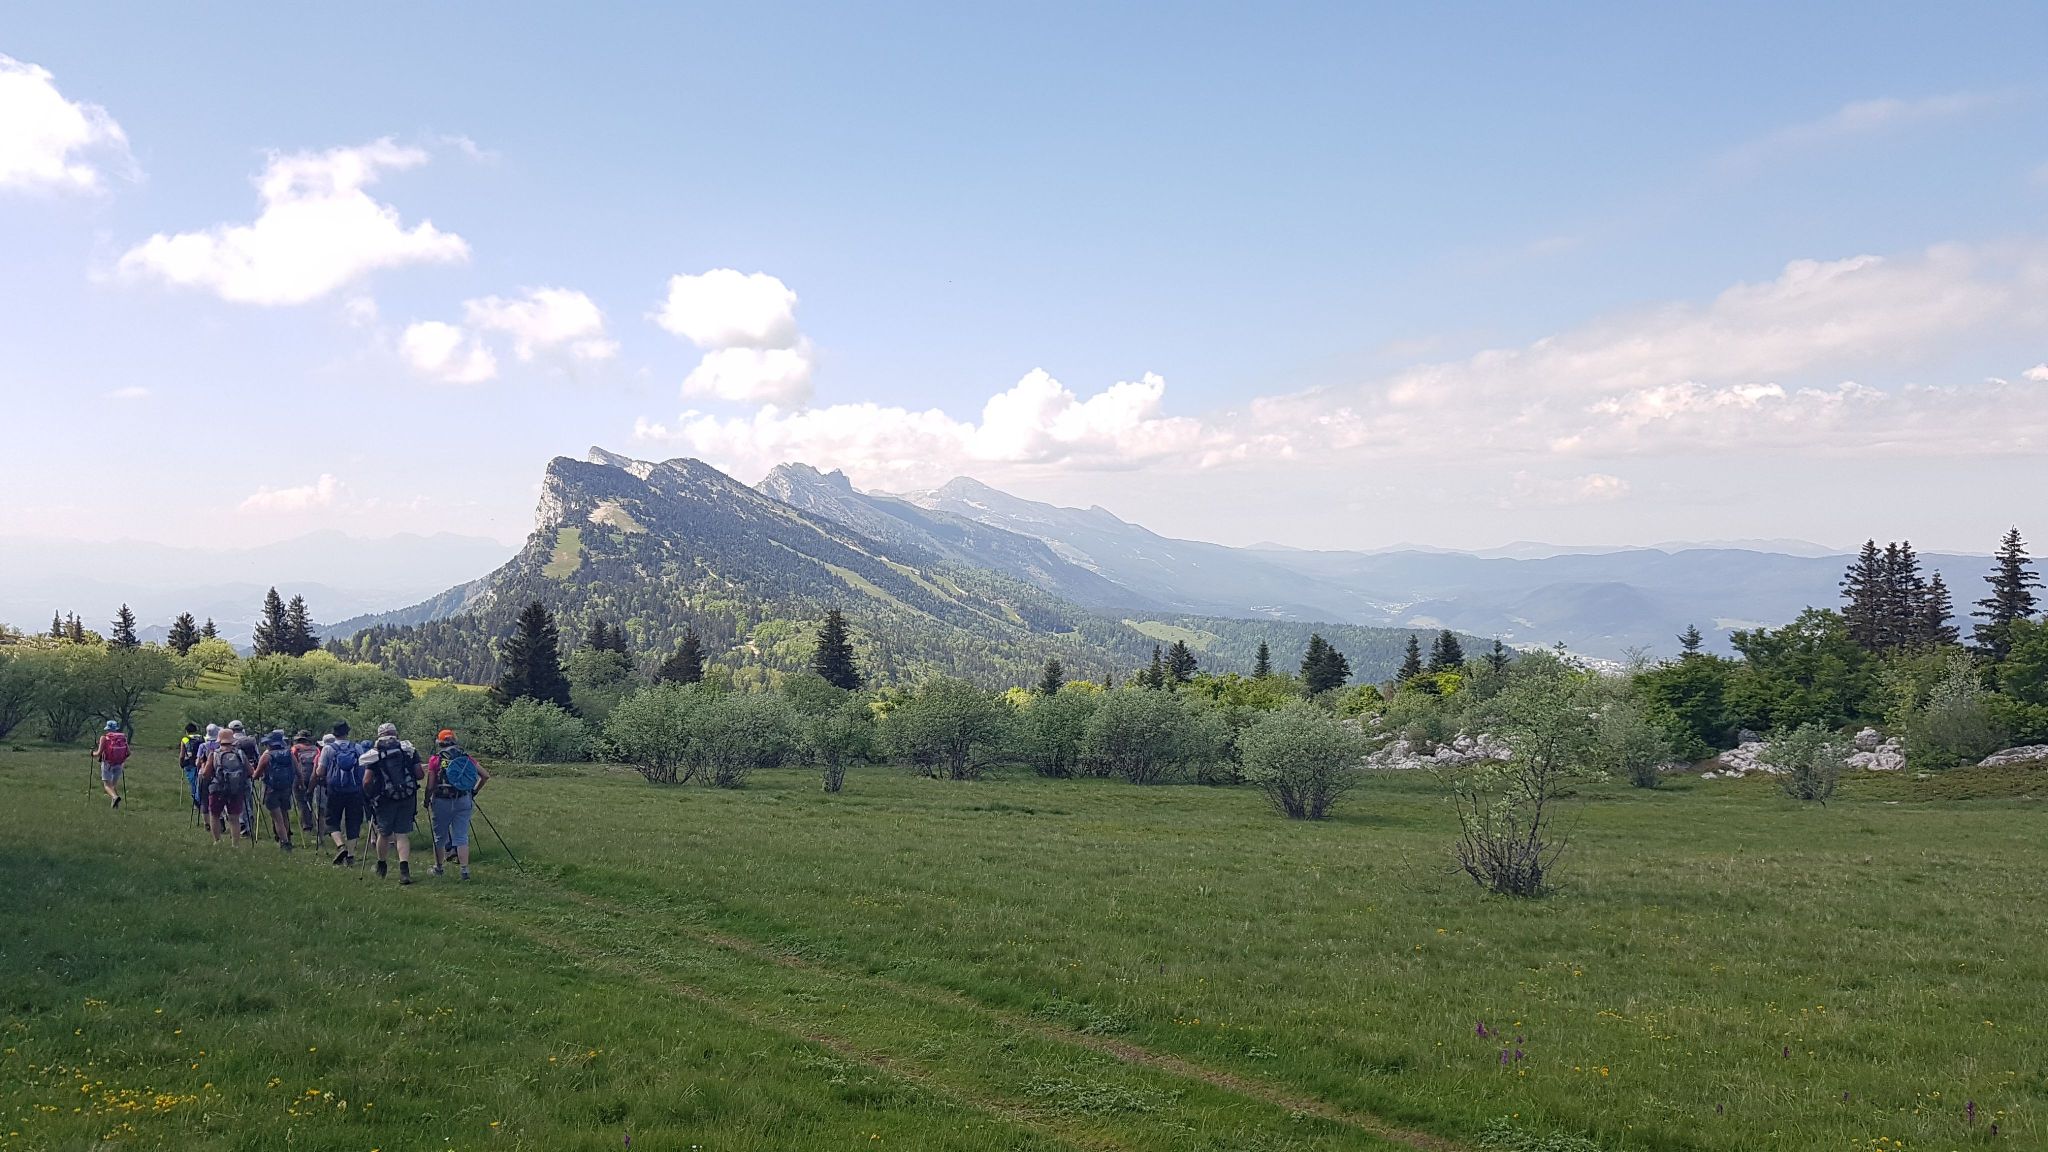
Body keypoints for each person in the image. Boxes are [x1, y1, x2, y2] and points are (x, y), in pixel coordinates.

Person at [360, 722, 422, 884]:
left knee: (384, 833)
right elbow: (420, 774)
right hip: (407, 796)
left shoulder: (375, 753)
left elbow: (366, 781)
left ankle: (382, 865)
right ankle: (404, 871)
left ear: (379, 735)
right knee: (402, 834)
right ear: (396, 734)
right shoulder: (408, 749)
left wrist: (370, 796)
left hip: (385, 798)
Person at [426, 729, 491, 880]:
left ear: (440, 743)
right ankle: (464, 871)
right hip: (463, 799)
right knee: (461, 836)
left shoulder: (435, 759)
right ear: (455, 740)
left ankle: (439, 868)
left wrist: (426, 799)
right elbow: (485, 776)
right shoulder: (466, 757)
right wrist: (473, 792)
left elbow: (430, 785)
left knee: (439, 837)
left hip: (441, 801)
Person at [315, 723, 366, 866]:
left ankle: (340, 846)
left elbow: (320, 771)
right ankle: (350, 855)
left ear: (334, 733)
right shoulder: (357, 748)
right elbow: (363, 768)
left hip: (335, 790)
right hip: (355, 791)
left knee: (332, 821)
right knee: (353, 822)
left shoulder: (328, 749)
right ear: (347, 733)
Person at [201, 726, 254, 846]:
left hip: (217, 789)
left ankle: (217, 841)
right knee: (234, 818)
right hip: (236, 789)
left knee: (215, 815)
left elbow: (206, 774)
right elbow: (250, 772)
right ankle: (235, 844)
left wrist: (204, 768)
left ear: (219, 740)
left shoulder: (214, 754)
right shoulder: (240, 753)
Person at [254, 730, 298, 852]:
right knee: (284, 814)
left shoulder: (267, 756)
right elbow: (298, 770)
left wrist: (253, 775)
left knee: (277, 818)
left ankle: (284, 843)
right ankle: (288, 838)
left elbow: (256, 774)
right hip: (286, 788)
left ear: (270, 743)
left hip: (271, 789)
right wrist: (300, 783)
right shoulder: (289, 754)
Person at [289, 730, 321, 834]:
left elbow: (292, 763)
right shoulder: (316, 749)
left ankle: (306, 825)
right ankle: (313, 821)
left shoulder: (295, 749)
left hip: (299, 777)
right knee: (309, 798)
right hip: (313, 777)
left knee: (301, 802)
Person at [94, 720, 130, 809]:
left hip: (108, 764)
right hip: (119, 764)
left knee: (107, 785)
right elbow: (128, 753)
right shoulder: (123, 738)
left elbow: (98, 753)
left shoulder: (104, 738)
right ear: (116, 728)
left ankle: (115, 797)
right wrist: (121, 759)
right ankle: (115, 808)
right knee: (113, 786)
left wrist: (92, 753)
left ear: (107, 728)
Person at [177, 723, 205, 818]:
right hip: (201, 763)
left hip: (189, 763)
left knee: (193, 783)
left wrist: (181, 763)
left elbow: (182, 754)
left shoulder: (185, 739)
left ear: (186, 731)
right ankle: (201, 801)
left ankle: (196, 802)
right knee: (200, 782)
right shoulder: (202, 738)